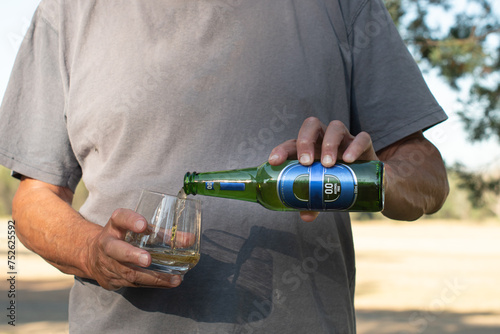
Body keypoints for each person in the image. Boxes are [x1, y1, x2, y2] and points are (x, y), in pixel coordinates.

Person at [0, 0, 448, 332]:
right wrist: (91, 252)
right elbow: (34, 197)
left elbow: (427, 177)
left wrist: (371, 177)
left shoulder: (342, 6)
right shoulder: (67, 12)